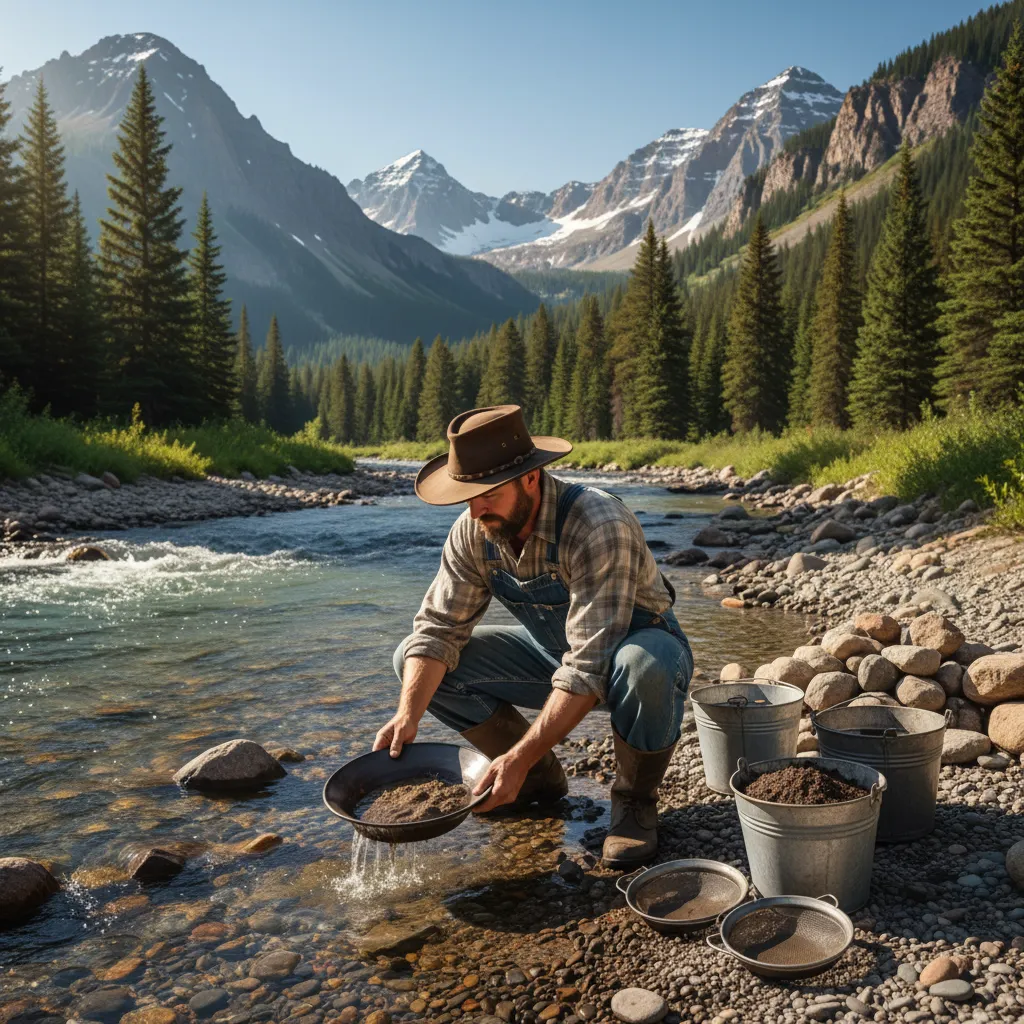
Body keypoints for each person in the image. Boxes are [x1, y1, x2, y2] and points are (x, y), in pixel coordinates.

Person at [376, 405, 693, 868]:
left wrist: (519, 753)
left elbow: (589, 666)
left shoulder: (597, 523)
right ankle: (537, 780)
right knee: (412, 658)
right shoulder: (474, 530)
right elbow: (438, 629)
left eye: (488, 493)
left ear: (531, 478)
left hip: (637, 650)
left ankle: (634, 802)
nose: (475, 508)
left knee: (644, 666)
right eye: (468, 495)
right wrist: (408, 716)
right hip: (555, 655)